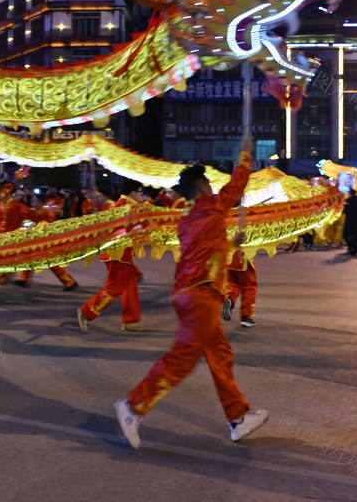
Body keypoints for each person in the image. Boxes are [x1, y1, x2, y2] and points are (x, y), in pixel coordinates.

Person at [113, 135, 268, 449]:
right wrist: (245, 156)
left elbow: (204, 249)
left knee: (220, 354)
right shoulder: (210, 206)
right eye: (209, 183)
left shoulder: (188, 220)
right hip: (200, 296)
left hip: (190, 295)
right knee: (182, 359)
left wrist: (233, 243)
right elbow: (235, 189)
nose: (212, 188)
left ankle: (238, 417)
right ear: (202, 189)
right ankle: (133, 406)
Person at [77, 182, 146, 332]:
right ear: (133, 193)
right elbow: (115, 231)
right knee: (114, 288)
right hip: (117, 254)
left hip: (122, 254)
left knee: (130, 287)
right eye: (141, 192)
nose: (142, 196)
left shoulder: (127, 205)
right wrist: (132, 233)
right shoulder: (124, 206)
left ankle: (130, 321)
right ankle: (86, 311)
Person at [13, 193, 78, 290]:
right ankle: (23, 278)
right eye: (33, 201)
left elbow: (50, 228)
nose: (33, 203)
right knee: (29, 258)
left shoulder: (48, 214)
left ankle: (69, 282)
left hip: (45, 243)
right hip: (33, 241)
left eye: (36, 201)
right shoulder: (30, 212)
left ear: (41, 203)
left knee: (52, 264)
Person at [224, 248, 257, 327]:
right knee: (249, 286)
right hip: (243, 256)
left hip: (228, 257)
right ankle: (246, 316)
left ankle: (229, 298)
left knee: (231, 283)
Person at [342, 190, 357, 256]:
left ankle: (352, 248)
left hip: (350, 220)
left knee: (346, 234)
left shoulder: (348, 201)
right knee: (356, 234)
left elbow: (344, 210)